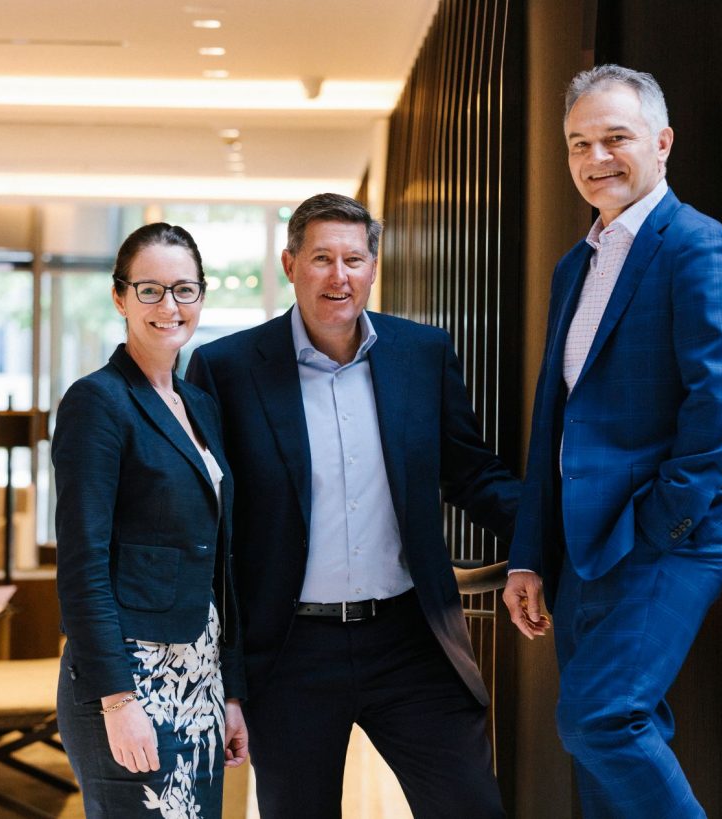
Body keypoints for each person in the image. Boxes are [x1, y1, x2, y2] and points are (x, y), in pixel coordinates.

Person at [186, 193, 518, 818]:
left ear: (373, 267)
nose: (339, 277)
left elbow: (472, 474)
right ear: (289, 264)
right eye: (320, 259)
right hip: (288, 654)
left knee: (470, 807)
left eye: (353, 259)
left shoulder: (422, 354)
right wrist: (224, 677)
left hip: (410, 640)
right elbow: (213, 530)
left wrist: (547, 541)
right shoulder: (226, 369)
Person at [502, 64, 722, 817]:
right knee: (606, 750)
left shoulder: (698, 250)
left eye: (616, 138)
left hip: (667, 537)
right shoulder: (575, 266)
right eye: (579, 143)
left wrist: (662, 523)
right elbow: (554, 420)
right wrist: (529, 551)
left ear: (662, 141)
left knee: (601, 719)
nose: (596, 158)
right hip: (584, 547)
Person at [52, 222, 248, 817]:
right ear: (120, 297)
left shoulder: (200, 406)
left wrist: (231, 691)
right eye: (150, 290)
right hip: (129, 681)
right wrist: (117, 700)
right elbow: (82, 562)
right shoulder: (98, 401)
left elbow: (220, 562)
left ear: (201, 297)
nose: (170, 306)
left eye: (184, 290)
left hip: (199, 678)